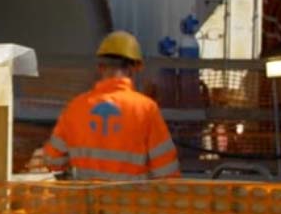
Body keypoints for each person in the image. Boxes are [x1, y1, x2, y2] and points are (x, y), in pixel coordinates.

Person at [43, 31, 180, 181]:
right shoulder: (146, 109)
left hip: (86, 202)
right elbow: (166, 172)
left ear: (100, 67)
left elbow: (53, 161)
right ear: (134, 68)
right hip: (130, 202)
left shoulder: (76, 107)